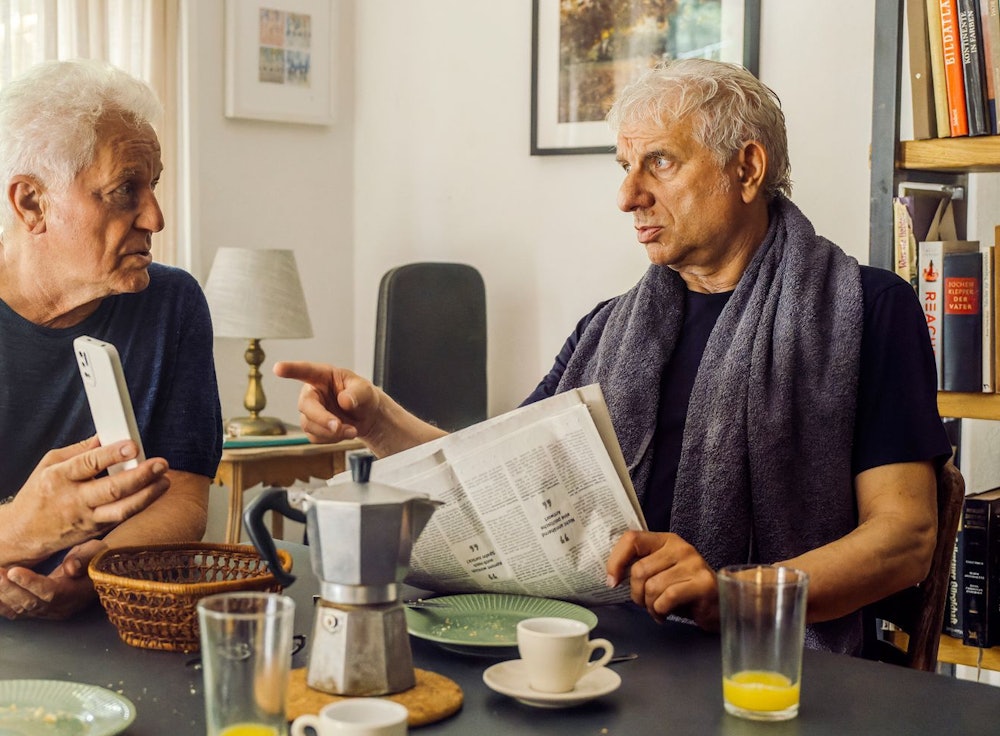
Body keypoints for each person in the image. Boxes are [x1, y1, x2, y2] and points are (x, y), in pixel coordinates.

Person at [274, 58, 951, 655]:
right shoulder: (608, 328)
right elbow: (497, 482)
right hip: (591, 650)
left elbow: (904, 539)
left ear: (747, 167)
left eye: (659, 162)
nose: (628, 197)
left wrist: (731, 595)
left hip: (769, 666)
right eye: (626, 169)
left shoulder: (867, 310)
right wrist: (377, 419)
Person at [0, 59, 222, 620]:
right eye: (126, 190)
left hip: (115, 616)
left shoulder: (173, 305)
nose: (156, 216)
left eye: (154, 185)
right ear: (32, 203)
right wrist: (18, 531)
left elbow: (185, 493)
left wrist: (100, 568)